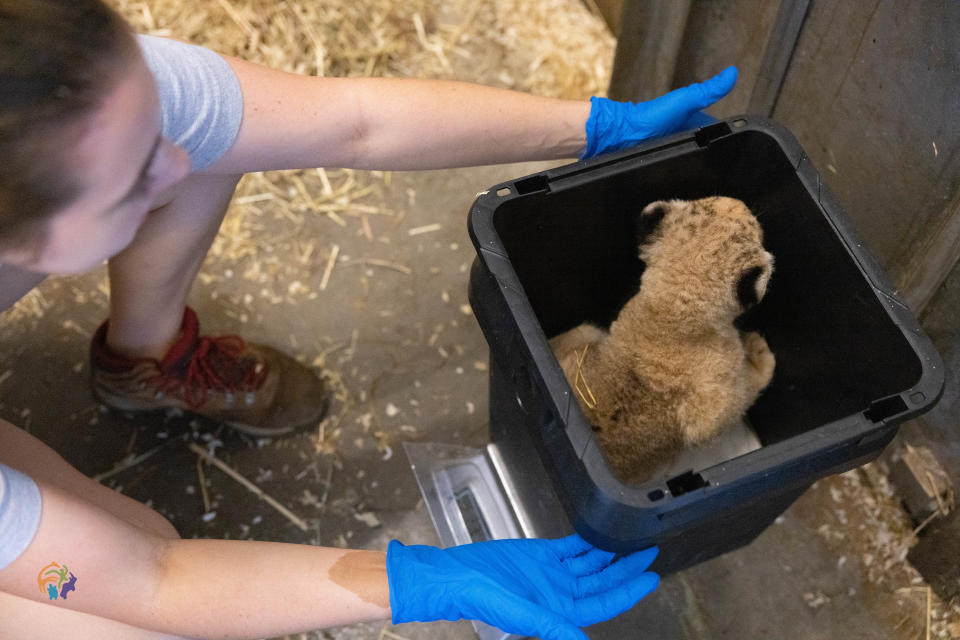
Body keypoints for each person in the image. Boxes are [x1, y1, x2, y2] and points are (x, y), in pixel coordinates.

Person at [0, 0, 738, 637]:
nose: (169, 165)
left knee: (210, 138)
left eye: (150, 128)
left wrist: (595, 127)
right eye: (132, 180)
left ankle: (144, 361)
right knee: (123, 617)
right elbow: (155, 578)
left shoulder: (55, 84)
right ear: (26, 242)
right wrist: (420, 582)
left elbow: (354, 122)